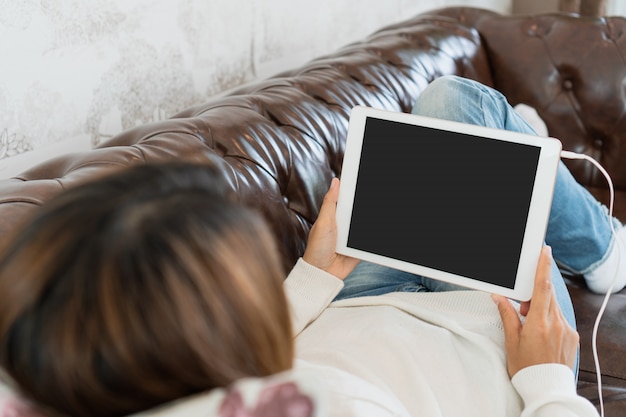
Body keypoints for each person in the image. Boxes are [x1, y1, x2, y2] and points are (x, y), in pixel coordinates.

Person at [0, 75, 619, 417]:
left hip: (350, 299)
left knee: (449, 108)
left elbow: (239, 353)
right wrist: (548, 388)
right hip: (494, 337)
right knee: (460, 105)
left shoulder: (112, 374)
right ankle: (599, 247)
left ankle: (523, 155)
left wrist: (315, 274)